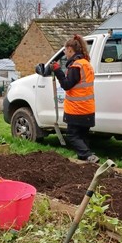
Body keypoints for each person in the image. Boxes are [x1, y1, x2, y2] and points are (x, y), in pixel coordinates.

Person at [52, 34, 99, 164]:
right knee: (83, 137)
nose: (65, 53)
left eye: (65, 50)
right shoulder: (86, 64)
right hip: (88, 108)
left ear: (70, 50)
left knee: (72, 135)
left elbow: (67, 85)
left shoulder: (76, 66)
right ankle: (84, 163)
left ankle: (88, 156)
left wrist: (57, 71)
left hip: (76, 109)